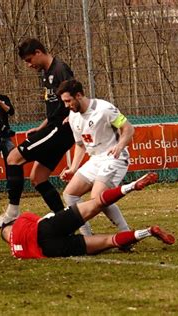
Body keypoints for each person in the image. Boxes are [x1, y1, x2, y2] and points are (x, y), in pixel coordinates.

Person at [0, 38, 75, 227]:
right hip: (53, 127)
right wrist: (42, 126)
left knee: (13, 158)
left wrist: (73, 117)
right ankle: (65, 221)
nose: (29, 65)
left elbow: (74, 96)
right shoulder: (46, 74)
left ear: (38, 52)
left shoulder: (60, 69)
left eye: (29, 60)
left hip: (61, 130)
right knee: (38, 178)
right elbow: (56, 108)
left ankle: (12, 212)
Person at [0, 172, 175, 259]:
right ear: (11, 225)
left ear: (8, 240)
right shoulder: (22, 220)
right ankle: (130, 186)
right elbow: (43, 219)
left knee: (108, 241)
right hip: (47, 227)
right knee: (97, 202)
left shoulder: (16, 251)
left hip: (50, 248)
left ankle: (148, 232)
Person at [58, 79, 135, 237]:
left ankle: (125, 234)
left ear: (78, 95)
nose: (66, 106)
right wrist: (73, 168)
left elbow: (128, 129)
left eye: (68, 101)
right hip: (95, 160)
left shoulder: (104, 109)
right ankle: (86, 237)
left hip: (114, 158)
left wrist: (120, 146)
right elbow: (80, 145)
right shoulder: (73, 116)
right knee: (70, 194)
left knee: (97, 197)